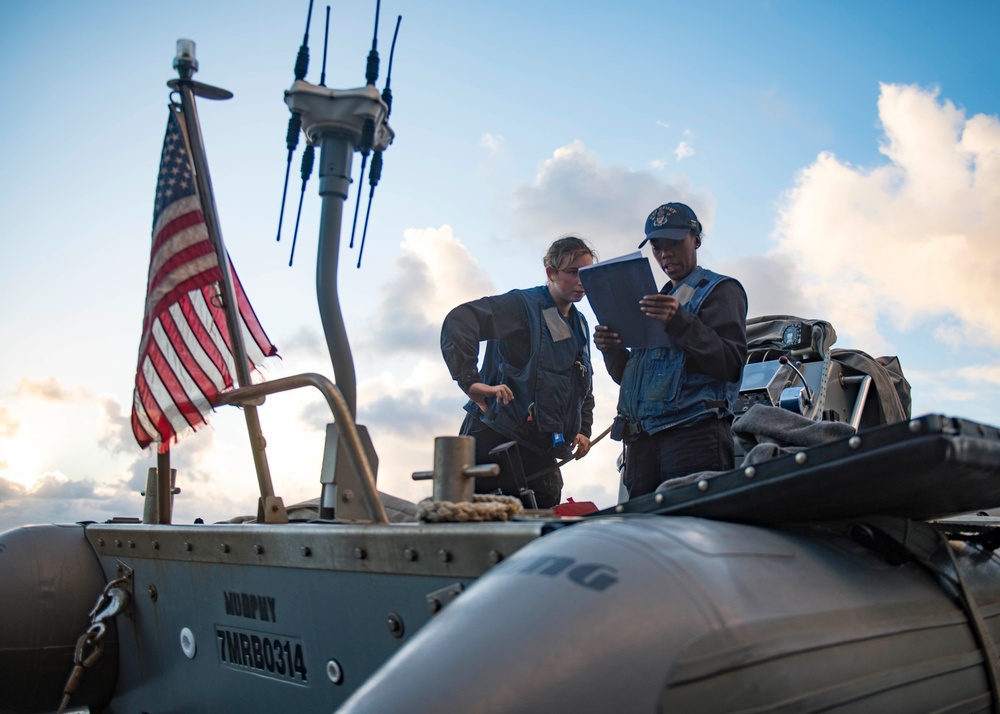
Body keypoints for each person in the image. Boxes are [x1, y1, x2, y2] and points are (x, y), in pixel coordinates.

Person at [594, 202, 747, 498]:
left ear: (697, 240)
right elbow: (631, 379)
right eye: (657, 246)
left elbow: (731, 364)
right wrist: (611, 349)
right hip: (641, 445)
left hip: (692, 439)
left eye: (675, 243)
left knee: (693, 534)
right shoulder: (651, 300)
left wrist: (680, 321)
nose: (666, 254)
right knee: (644, 539)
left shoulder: (721, 290)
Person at [440, 236, 597, 508]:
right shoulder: (520, 306)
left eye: (588, 273)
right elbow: (461, 321)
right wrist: (469, 381)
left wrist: (583, 430)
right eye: (574, 273)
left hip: (539, 448)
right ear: (551, 273)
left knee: (546, 516)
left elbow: (582, 387)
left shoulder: (580, 324)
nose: (583, 281)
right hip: (495, 440)